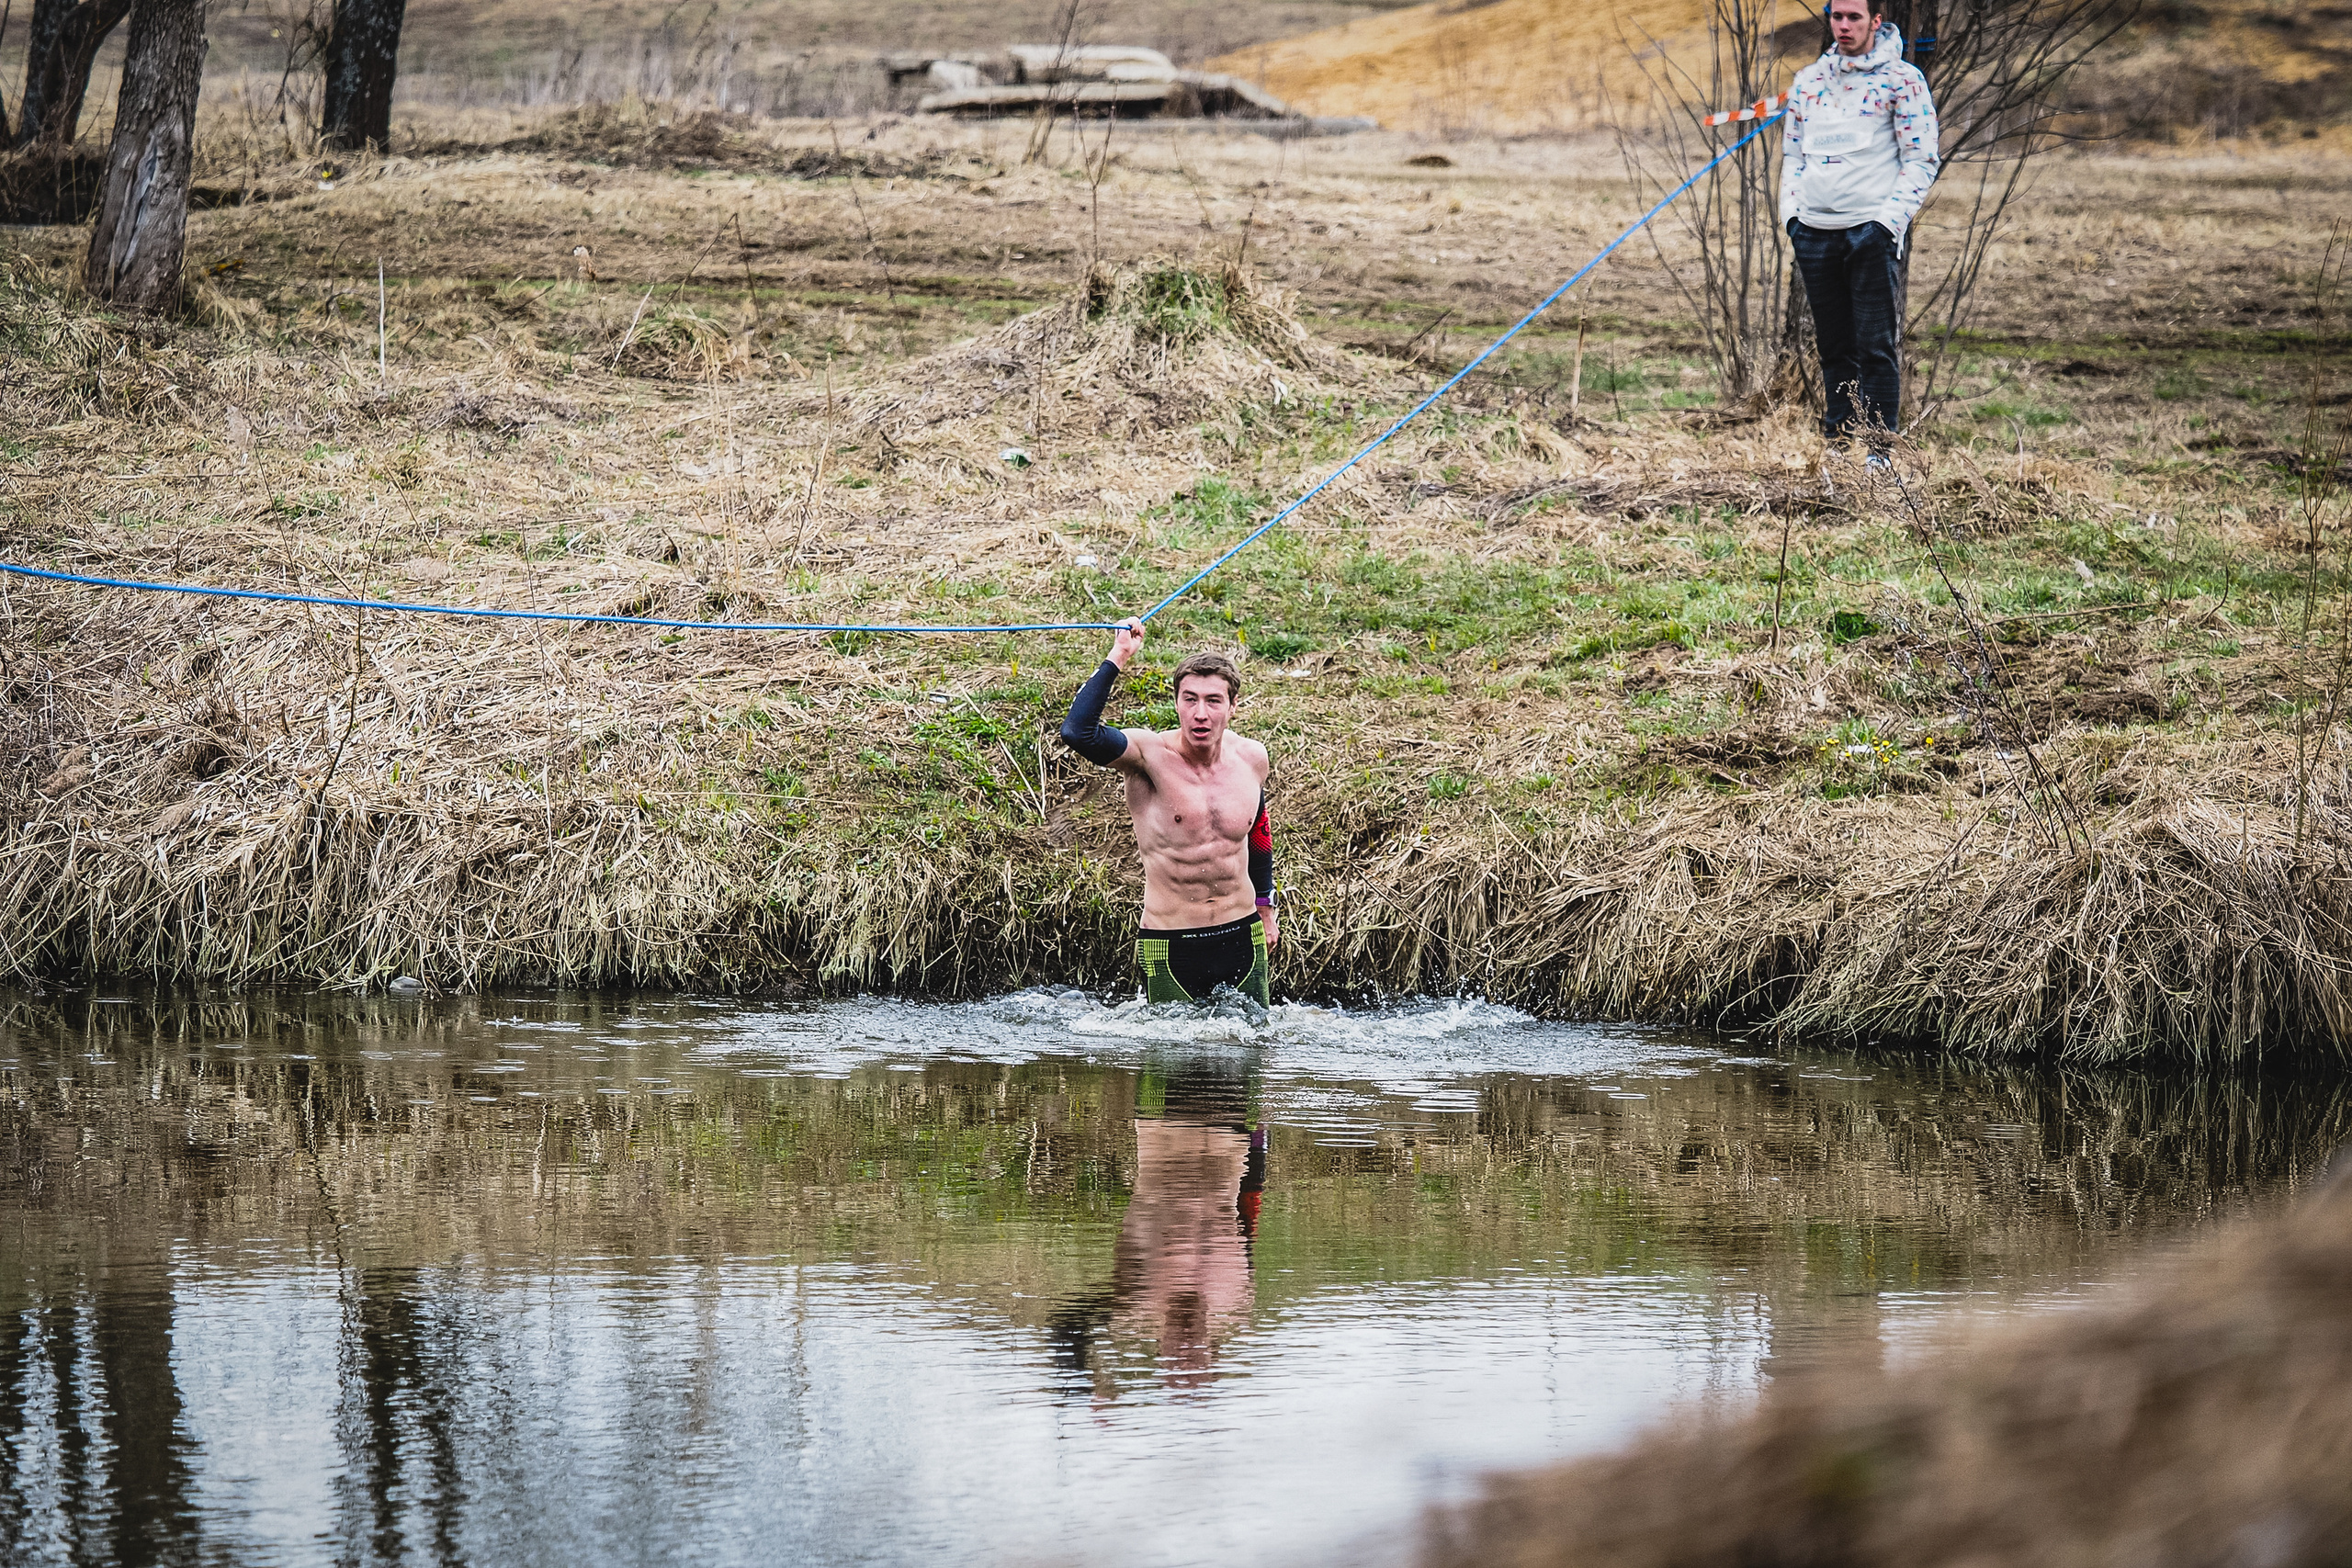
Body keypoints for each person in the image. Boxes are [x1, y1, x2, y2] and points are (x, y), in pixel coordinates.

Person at [1058, 616, 1277, 1007]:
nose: (1200, 714)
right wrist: (1120, 654)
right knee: (1169, 1064)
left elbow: (1257, 833)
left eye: (1213, 701)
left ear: (1232, 705)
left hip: (1244, 935)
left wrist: (1265, 906)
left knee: (1252, 1059)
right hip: (1170, 943)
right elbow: (1078, 732)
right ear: (1176, 701)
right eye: (1189, 699)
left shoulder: (1252, 758)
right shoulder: (1148, 755)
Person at [1781, 0, 1940, 468]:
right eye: (1837, 17)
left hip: (1869, 232)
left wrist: (1887, 223)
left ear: (1875, 21)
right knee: (1833, 347)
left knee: (1875, 347)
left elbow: (1922, 159)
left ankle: (1879, 453)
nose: (1844, 26)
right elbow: (1793, 154)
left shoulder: (1903, 80)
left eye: (1854, 17)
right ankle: (1837, 445)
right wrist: (1793, 217)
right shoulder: (1809, 82)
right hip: (1814, 232)